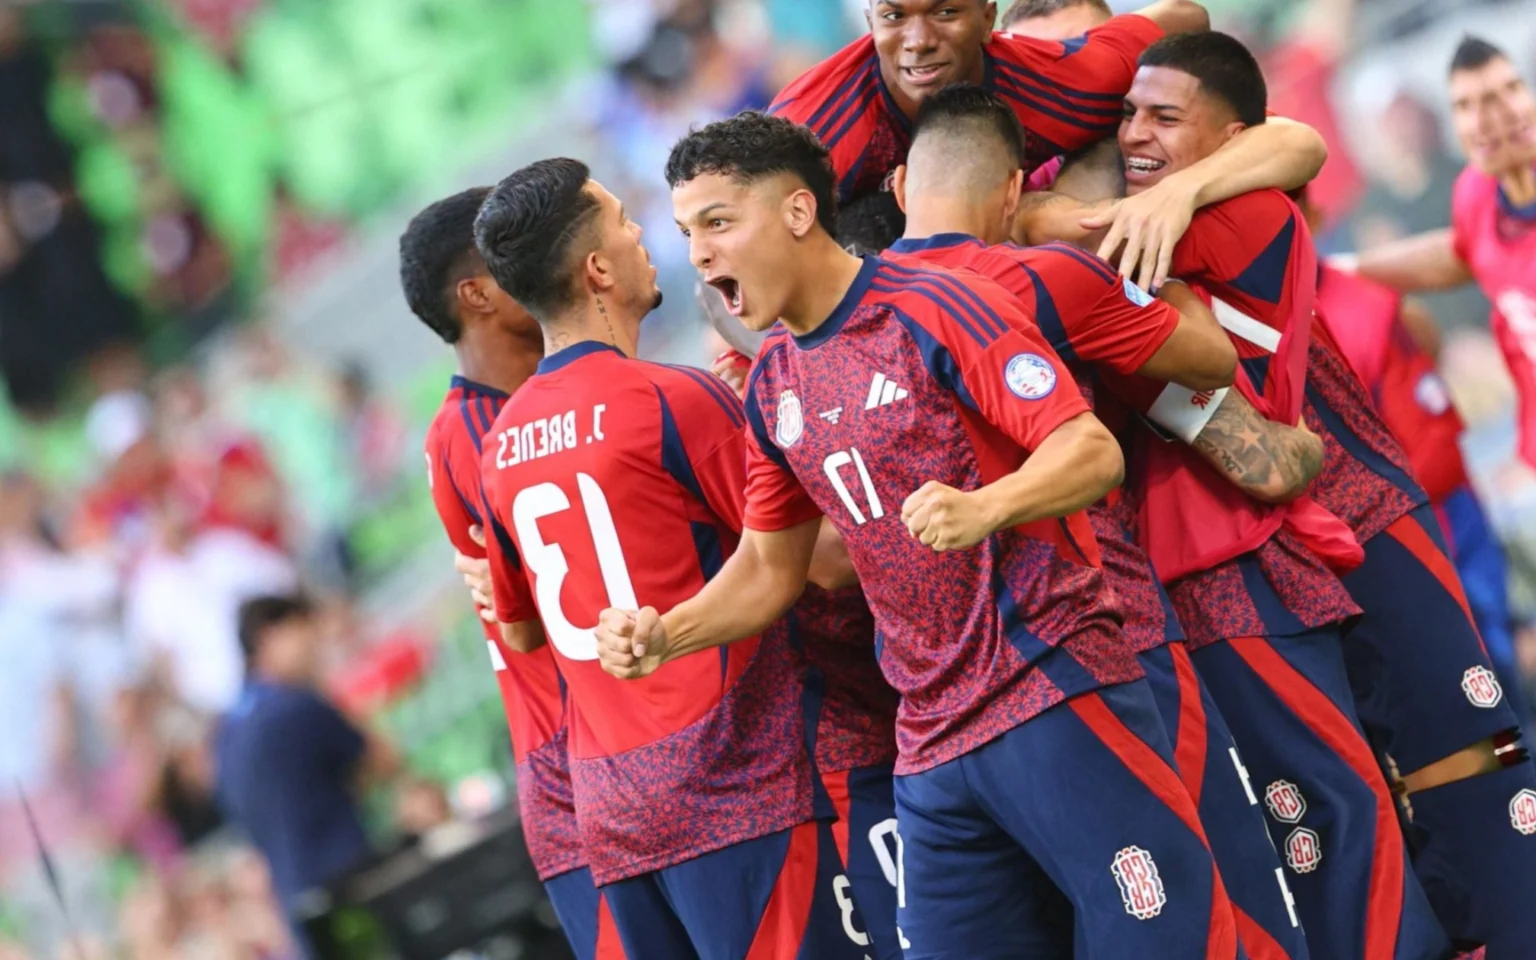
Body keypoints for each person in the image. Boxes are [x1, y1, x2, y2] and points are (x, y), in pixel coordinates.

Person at [601, 110, 1246, 959]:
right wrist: (666, 632)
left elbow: (1087, 450)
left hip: (1049, 684)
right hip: (932, 743)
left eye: (719, 222)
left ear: (798, 213)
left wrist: (987, 506)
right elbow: (768, 568)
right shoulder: (773, 388)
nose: (700, 253)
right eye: (688, 232)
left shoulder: (939, 305)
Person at [1023, 32, 1463, 959]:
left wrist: (1045, 207)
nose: (1138, 134)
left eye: (1163, 120)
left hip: (1233, 556)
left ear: (1228, 138)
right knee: (1306, 811)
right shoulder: (1194, 213)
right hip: (1216, 563)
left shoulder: (1239, 215)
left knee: (1329, 803)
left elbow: (1057, 238)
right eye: (1128, 117)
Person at [886, 82, 1313, 960]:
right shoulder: (1042, 275)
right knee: (1208, 895)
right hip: (1100, 637)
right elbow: (1211, 359)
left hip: (942, 708)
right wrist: (1098, 236)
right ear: (1014, 191)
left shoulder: (828, 332)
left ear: (896, 190)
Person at [472, 158, 865, 960]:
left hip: (614, 811)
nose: (644, 234)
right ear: (597, 268)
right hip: (737, 781)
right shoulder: (671, 399)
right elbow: (820, 563)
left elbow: (519, 634)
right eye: (623, 220)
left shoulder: (502, 444)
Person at [398, 189, 616, 960]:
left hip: (617, 756)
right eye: (513, 252)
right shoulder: (480, 434)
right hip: (587, 762)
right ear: (478, 293)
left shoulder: (544, 400)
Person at [768, 0, 1209, 205]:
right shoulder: (810, 130)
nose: (918, 42)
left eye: (944, 13)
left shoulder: (1067, 85)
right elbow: (727, 245)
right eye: (895, 17)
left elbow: (1189, 18)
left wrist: (1179, 194)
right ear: (870, 23)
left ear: (986, 20)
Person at [1345, 37, 1536, 473]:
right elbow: (1450, 259)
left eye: (1501, 96)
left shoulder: (1462, 176)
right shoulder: (1469, 191)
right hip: (1465, 360)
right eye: (1467, 105)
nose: (1488, 119)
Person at [214, 594, 399, 956]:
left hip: (295, 903)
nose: (315, 644)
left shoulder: (225, 737)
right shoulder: (297, 704)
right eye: (304, 630)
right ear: (269, 636)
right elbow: (384, 761)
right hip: (349, 885)